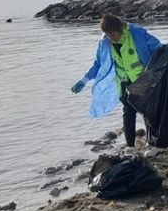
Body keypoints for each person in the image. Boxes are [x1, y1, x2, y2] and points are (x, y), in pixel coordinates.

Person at [70, 13, 163, 157]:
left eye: (112, 34)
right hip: (123, 81)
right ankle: (130, 146)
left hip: (142, 78)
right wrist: (84, 80)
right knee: (128, 111)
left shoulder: (136, 34)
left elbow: (156, 46)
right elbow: (98, 64)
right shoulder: (105, 42)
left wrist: (163, 53)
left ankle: (153, 144)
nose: (111, 38)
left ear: (120, 29)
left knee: (147, 111)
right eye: (107, 35)